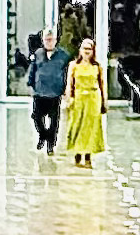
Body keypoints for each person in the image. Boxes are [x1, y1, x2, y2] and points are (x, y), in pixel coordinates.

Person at [59, 39, 108, 167]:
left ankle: (88, 156)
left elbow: (102, 85)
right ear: (80, 50)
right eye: (84, 48)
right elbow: (69, 83)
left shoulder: (97, 66)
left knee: (90, 128)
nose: (86, 51)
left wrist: (104, 101)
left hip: (93, 99)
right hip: (78, 98)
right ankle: (77, 154)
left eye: (89, 49)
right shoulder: (73, 65)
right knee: (76, 126)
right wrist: (68, 99)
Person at [27, 35, 68, 153]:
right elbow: (33, 69)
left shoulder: (63, 55)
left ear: (55, 41)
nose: (49, 42)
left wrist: (66, 88)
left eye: (51, 40)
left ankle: (51, 144)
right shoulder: (38, 54)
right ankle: (43, 135)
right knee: (37, 117)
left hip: (55, 93)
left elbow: (67, 72)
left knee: (54, 120)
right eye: (46, 40)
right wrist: (31, 83)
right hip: (40, 92)